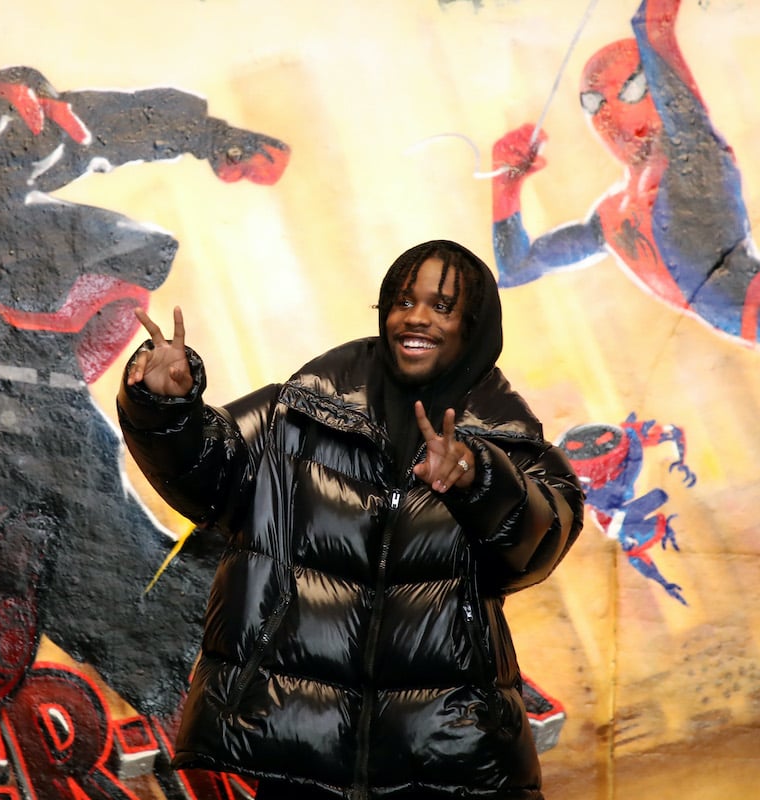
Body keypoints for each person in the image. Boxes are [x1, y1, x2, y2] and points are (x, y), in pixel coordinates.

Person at [117, 239, 584, 799]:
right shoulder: (296, 412)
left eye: (441, 306)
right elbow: (206, 472)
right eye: (403, 301)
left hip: (441, 752)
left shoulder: (512, 445)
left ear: (475, 326)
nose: (415, 318)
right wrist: (164, 405)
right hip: (297, 743)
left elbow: (542, 542)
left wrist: (479, 479)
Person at [492, 0, 760, 344]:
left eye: (631, 89)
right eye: (594, 103)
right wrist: (506, 186)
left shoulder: (693, 152)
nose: (609, 117)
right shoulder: (611, 220)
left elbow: (651, 25)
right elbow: (516, 267)